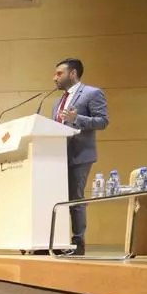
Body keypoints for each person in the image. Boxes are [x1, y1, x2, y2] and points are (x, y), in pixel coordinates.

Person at [52, 57, 108, 255]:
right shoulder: (58, 101)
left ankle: (78, 243)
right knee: (56, 199)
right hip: (56, 157)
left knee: (75, 198)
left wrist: (77, 118)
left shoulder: (92, 93)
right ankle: (56, 241)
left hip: (79, 154)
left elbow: (102, 121)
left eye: (59, 73)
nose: (54, 78)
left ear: (73, 73)